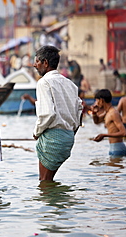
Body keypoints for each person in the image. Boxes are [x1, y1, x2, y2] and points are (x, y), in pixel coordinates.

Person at [32, 46, 82, 181]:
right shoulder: (71, 84)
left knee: (44, 182)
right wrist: (71, 132)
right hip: (68, 137)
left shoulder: (44, 82)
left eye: (37, 61)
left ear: (45, 63)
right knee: (48, 181)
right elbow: (79, 112)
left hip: (53, 138)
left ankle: (51, 202)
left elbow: (48, 114)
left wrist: (36, 132)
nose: (34, 65)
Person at [92, 89, 126, 157]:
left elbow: (124, 133)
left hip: (117, 147)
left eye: (97, 100)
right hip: (114, 147)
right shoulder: (107, 112)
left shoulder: (113, 113)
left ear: (101, 100)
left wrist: (104, 135)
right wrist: (94, 113)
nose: (96, 103)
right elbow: (97, 122)